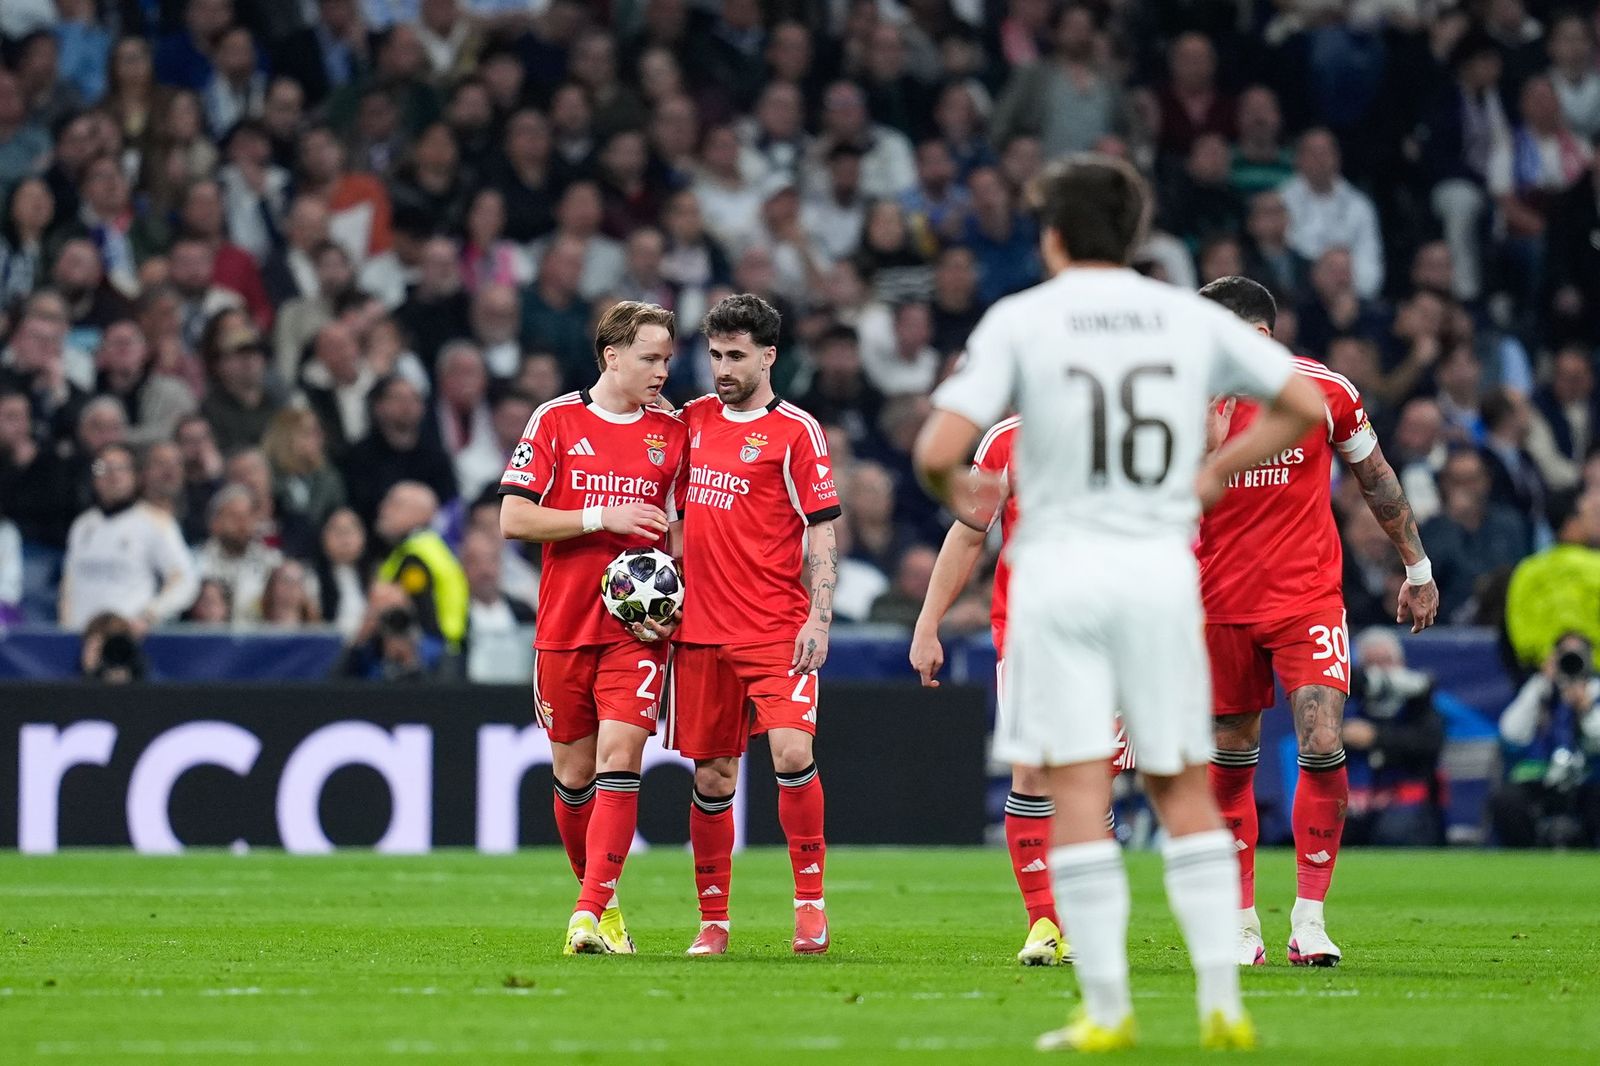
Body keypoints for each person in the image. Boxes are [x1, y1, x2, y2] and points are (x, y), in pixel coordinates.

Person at [912, 155, 1327, 1052]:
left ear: (1053, 236)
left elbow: (940, 449)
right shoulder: (1184, 317)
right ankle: (1223, 996)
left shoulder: (1023, 320)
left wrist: (967, 496)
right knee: (1182, 785)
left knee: (1076, 787)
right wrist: (1212, 472)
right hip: (1159, 573)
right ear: (1135, 236)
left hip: (1062, 573)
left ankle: (1106, 1009)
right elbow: (1298, 401)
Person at [1193, 275, 1439, 970]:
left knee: (1324, 738)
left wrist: (1415, 568)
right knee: (1231, 757)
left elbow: (1378, 478)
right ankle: (1241, 924)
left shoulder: (1322, 391)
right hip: (1216, 601)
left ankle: (1310, 918)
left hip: (1307, 597)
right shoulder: (1184, 400)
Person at [497, 300, 689, 957]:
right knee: (573, 776)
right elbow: (515, 520)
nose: (662, 370)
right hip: (563, 625)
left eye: (667, 358)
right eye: (649, 358)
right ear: (612, 356)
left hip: (635, 635)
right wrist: (598, 517)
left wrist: (680, 600)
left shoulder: (673, 434)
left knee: (619, 760)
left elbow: (687, 528)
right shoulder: (556, 420)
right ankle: (604, 909)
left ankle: (585, 913)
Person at [910, 413, 1132, 966]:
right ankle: (1044, 922)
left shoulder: (1128, 429)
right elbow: (968, 533)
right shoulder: (1008, 438)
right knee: (1031, 773)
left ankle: (1085, 920)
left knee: (1089, 781)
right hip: (1031, 633)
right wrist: (928, 622)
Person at [660, 294, 840, 959]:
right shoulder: (693, 421)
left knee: (793, 754)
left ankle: (810, 908)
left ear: (768, 356)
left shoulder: (797, 431)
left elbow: (822, 528)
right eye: (715, 354)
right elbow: (667, 499)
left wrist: (819, 617)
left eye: (737, 355)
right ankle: (713, 922)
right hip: (701, 632)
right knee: (712, 779)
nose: (723, 368)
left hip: (774, 629)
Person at [59, 443, 198, 632]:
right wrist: (66, 628)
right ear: (94, 478)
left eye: (122, 468)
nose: (113, 475)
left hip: (128, 640)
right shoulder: (82, 526)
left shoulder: (156, 522)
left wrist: (150, 614)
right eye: (103, 469)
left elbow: (185, 580)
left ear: (136, 476)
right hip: (81, 637)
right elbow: (69, 585)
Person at [1492, 631, 1600, 847]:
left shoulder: (1595, 692)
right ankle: (1524, 859)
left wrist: (1585, 709)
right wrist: (1540, 684)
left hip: (1586, 779)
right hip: (1541, 775)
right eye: (1564, 655)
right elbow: (1510, 732)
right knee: (1507, 799)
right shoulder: (1541, 689)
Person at [1342, 628, 1446, 847]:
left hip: (1409, 801)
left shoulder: (1419, 702)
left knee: (1394, 831)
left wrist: (1376, 737)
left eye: (1386, 661)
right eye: (1372, 663)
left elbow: (1428, 744)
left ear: (1401, 663)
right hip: (1359, 800)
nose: (1380, 671)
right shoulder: (1349, 702)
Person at [1504, 489, 1600, 669]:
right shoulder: (1596, 567)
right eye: (1593, 515)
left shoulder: (1527, 570)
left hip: (1540, 673)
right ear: (1571, 523)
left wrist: (1542, 656)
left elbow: (1519, 630)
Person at [373, 481, 468, 654]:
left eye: (395, 504)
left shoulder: (415, 556)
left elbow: (419, 607)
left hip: (429, 652)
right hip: (449, 649)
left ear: (420, 514)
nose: (383, 509)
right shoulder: (434, 548)